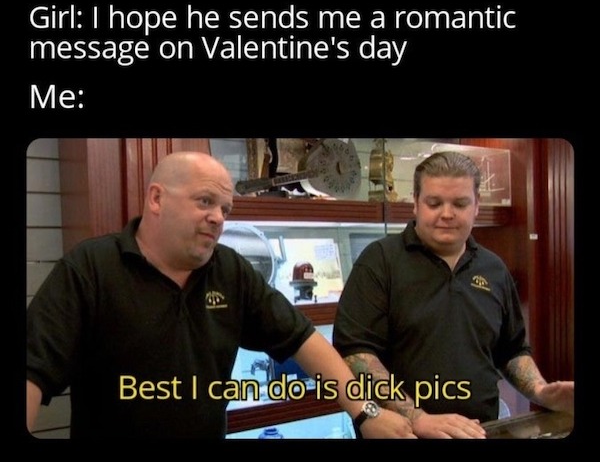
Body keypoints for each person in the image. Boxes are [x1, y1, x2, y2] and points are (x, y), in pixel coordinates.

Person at [26, 151, 416, 439]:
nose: (218, 217)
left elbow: (302, 339)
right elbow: (33, 370)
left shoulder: (229, 270)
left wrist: (365, 412)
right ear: (156, 198)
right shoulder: (91, 268)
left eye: (225, 209)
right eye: (205, 201)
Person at [332, 151, 574, 439]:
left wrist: (541, 391)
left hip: (480, 431)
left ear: (476, 205)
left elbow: (512, 350)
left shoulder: (494, 268)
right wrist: (416, 417)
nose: (447, 214)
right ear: (415, 203)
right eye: (434, 203)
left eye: (460, 203)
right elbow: (354, 353)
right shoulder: (379, 262)